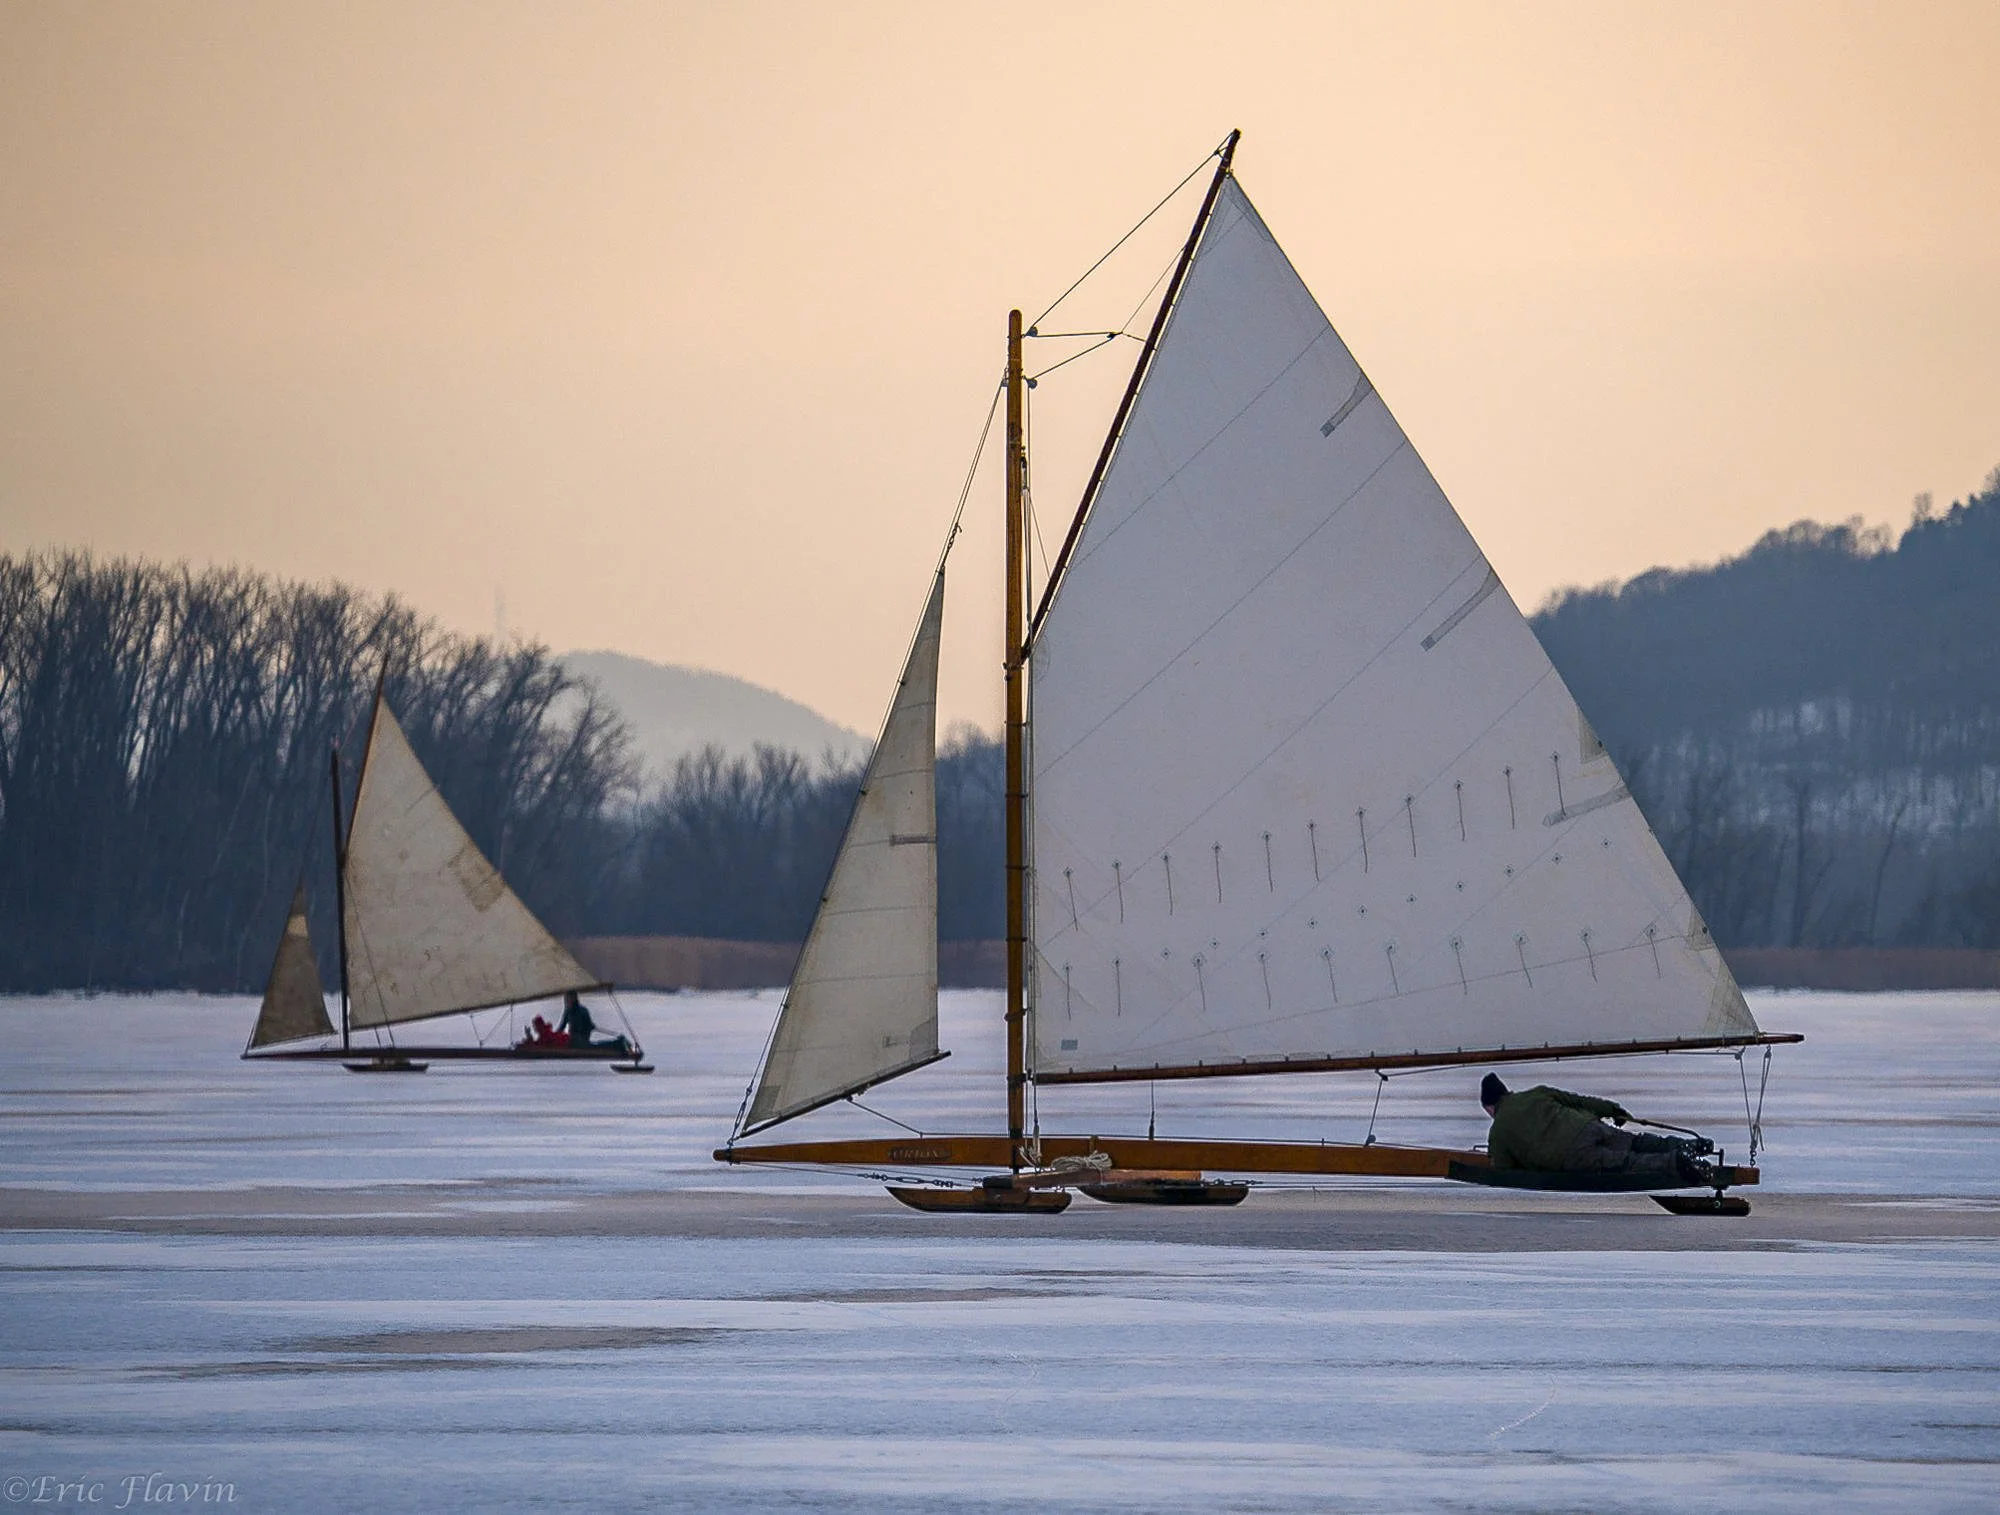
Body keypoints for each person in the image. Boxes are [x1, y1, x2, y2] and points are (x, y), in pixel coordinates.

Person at [1479, 1073, 1711, 1183]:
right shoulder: (1537, 1093)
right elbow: (1580, 1102)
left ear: (1489, 1107)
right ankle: (1688, 1146)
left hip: (1572, 1155)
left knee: (1626, 1162)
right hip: (1588, 1126)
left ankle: (1677, 1161)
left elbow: (1504, 1169)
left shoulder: (1498, 1131)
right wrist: (1613, 1110)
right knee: (1635, 1142)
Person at [557, 991, 631, 1057]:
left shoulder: (582, 1011)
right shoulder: (568, 1011)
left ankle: (619, 1043)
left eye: (567, 998)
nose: (565, 1001)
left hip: (578, 1041)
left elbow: (587, 1027)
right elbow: (561, 1028)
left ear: (573, 998)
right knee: (595, 1046)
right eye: (565, 999)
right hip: (573, 1040)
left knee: (596, 1047)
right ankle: (618, 1043)